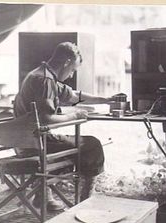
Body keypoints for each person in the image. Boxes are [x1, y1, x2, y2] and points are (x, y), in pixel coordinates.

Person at [14, 42, 112, 211]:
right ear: (66, 62)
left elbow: (73, 95)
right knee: (92, 145)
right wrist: (74, 115)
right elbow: (46, 119)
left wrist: (106, 99)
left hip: (23, 140)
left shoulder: (41, 74)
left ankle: (43, 196)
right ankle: (85, 201)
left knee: (74, 144)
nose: (72, 74)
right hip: (36, 142)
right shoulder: (45, 80)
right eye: (73, 69)